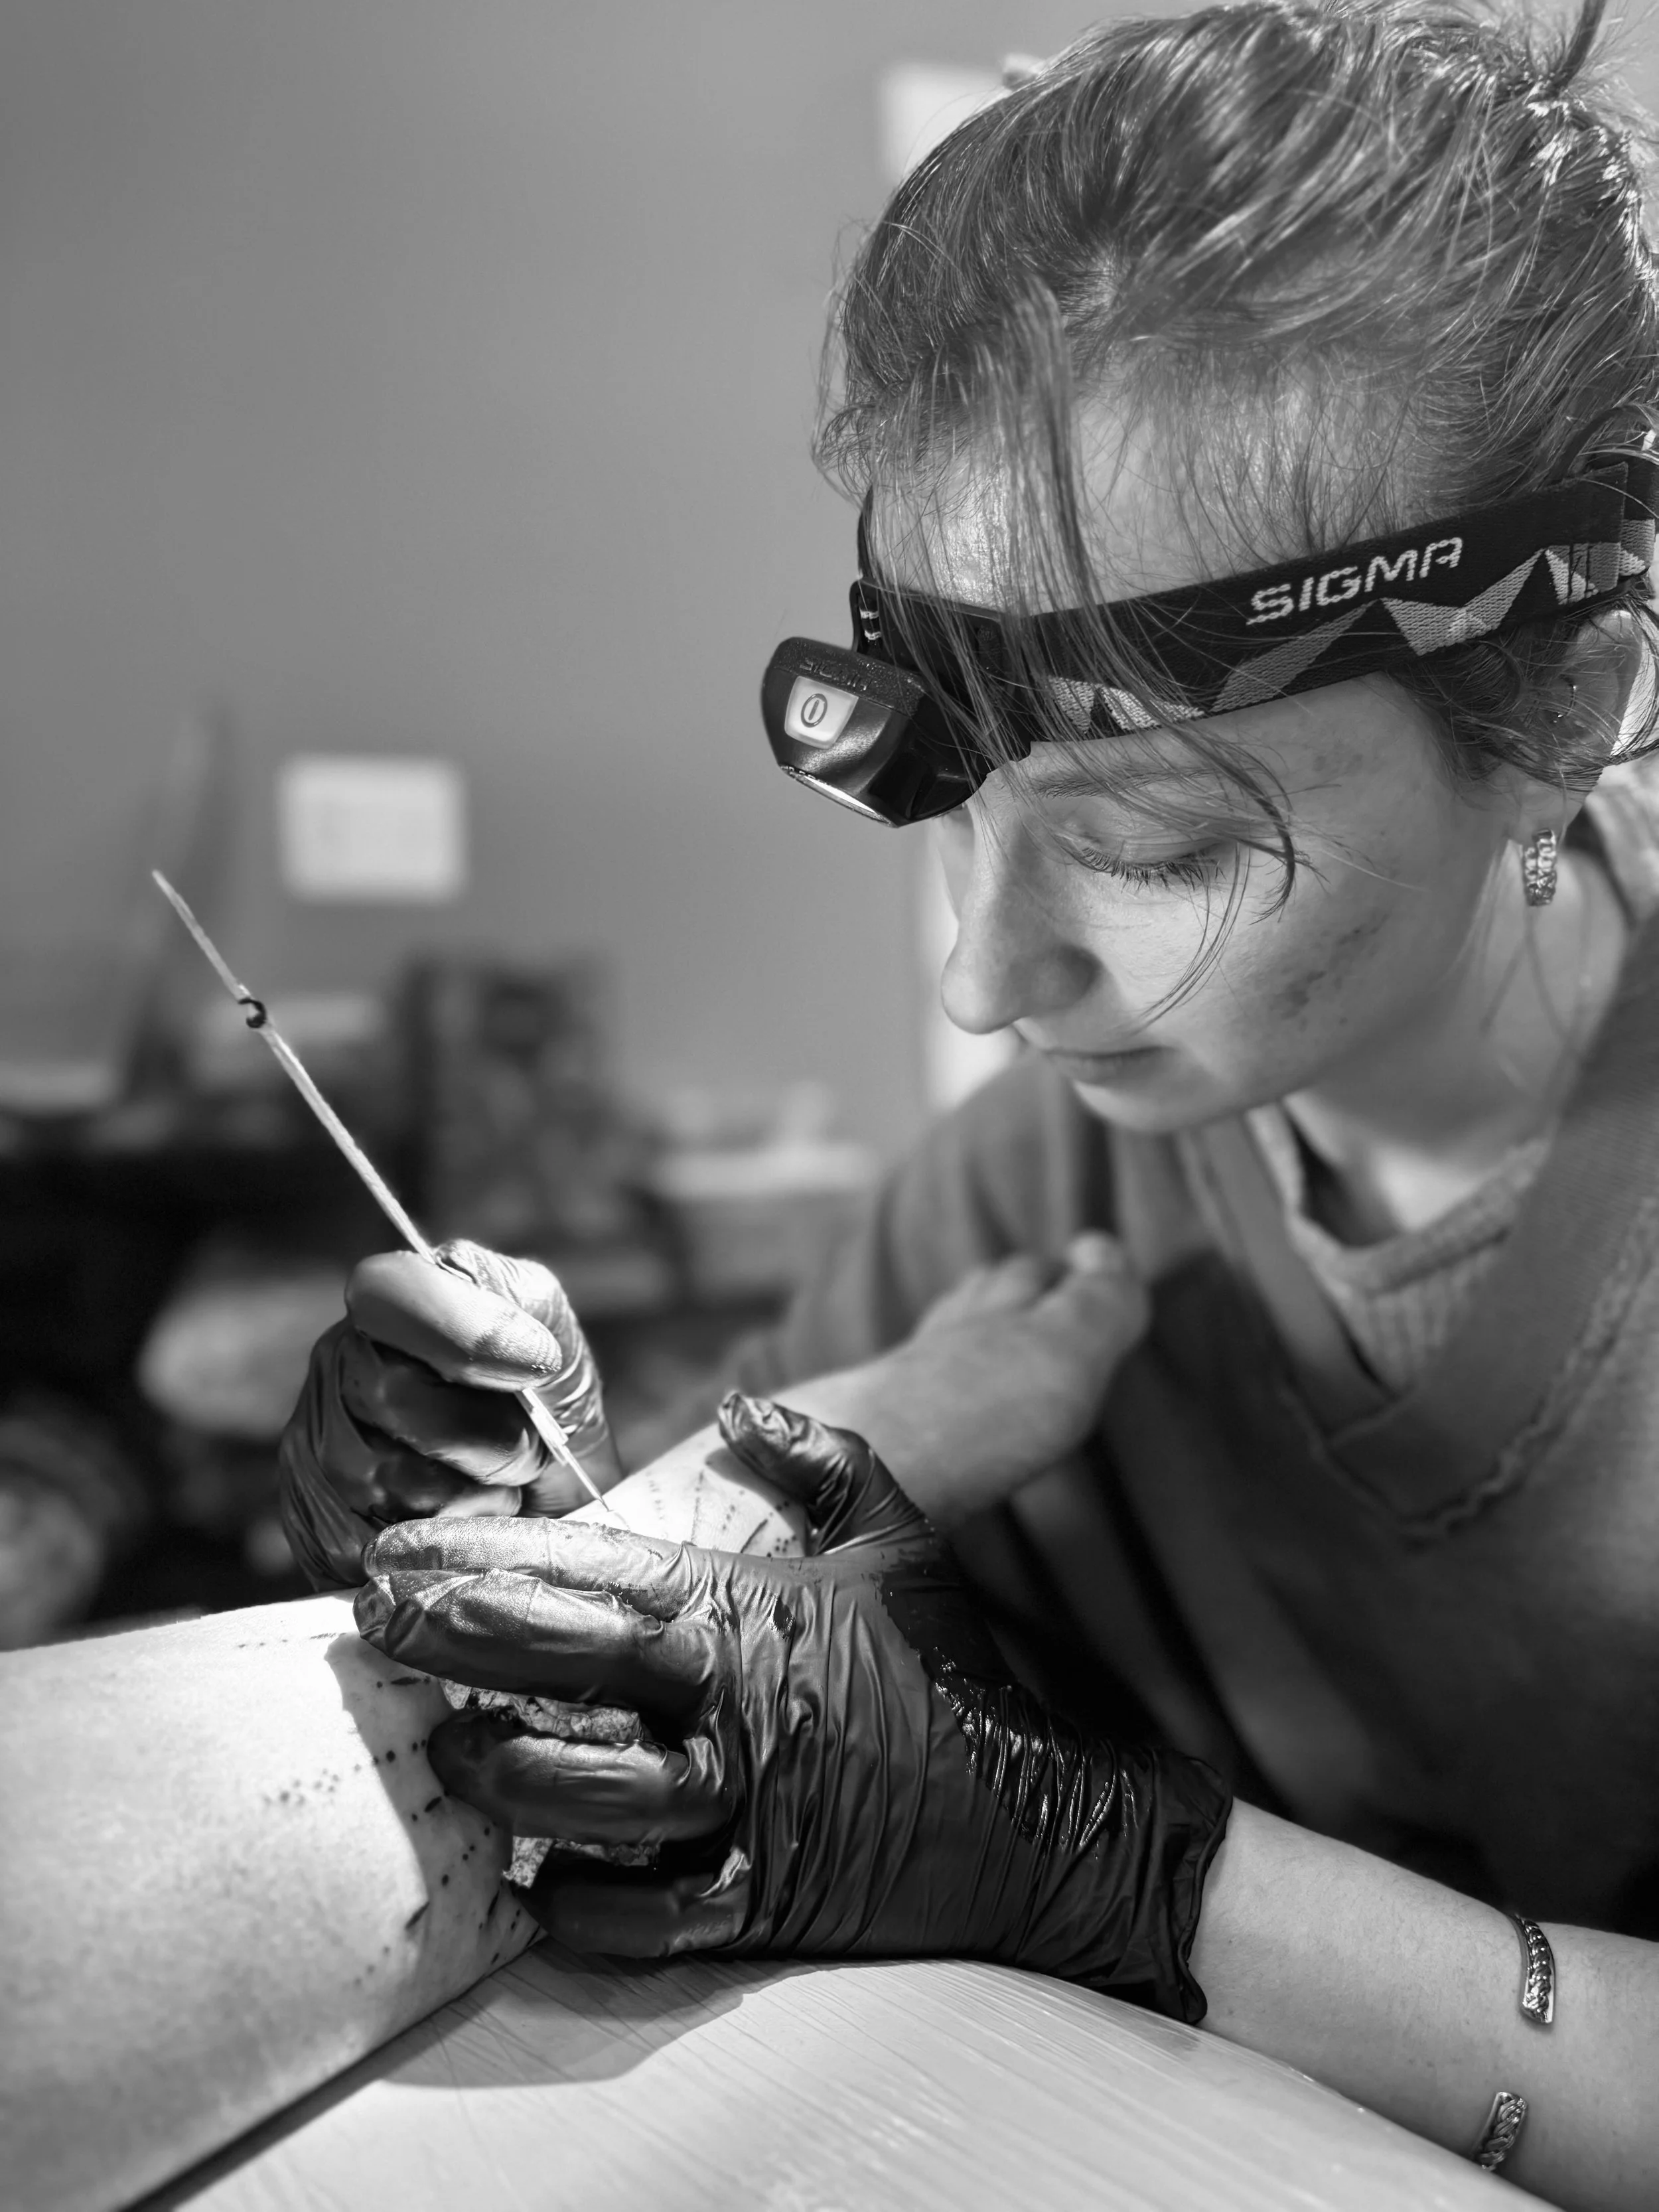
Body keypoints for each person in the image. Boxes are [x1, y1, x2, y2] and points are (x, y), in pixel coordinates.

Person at [281, 3, 1659, 2203]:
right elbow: (714, 1693)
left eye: (1148, 843)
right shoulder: (1011, 1212)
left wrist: (1140, 1882)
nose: (978, 975)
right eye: (938, 788)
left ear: (1558, 715)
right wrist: (579, 1558)